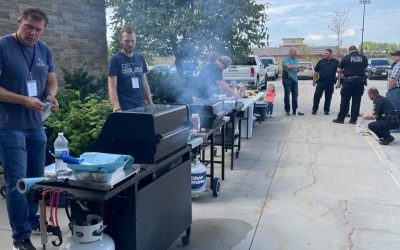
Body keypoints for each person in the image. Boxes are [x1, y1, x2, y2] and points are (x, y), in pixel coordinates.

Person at [0, 8, 59, 250]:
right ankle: (20, 238)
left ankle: (33, 219)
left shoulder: (44, 49)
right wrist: (24, 100)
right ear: (19, 23)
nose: (32, 33)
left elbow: (52, 81)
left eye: (38, 30)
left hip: (36, 126)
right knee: (17, 183)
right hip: (9, 126)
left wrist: (51, 96)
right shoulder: (3, 46)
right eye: (28, 27)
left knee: (36, 179)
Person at [108, 27, 153, 112]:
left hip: (141, 106)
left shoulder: (140, 58)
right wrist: (117, 108)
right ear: (120, 41)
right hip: (124, 108)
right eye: (127, 41)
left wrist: (150, 104)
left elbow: (144, 82)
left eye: (132, 41)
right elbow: (112, 87)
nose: (130, 44)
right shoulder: (115, 59)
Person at [333, 45, 368, 124]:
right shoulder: (363, 58)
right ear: (356, 50)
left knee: (345, 100)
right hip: (360, 82)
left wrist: (339, 81)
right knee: (356, 101)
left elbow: (339, 70)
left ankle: (340, 119)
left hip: (348, 82)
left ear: (349, 50)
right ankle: (353, 120)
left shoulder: (346, 57)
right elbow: (365, 69)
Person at [312, 49, 339, 115]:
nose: (325, 54)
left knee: (328, 97)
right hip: (321, 82)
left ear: (330, 54)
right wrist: (314, 80)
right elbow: (315, 72)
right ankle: (314, 109)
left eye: (326, 53)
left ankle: (326, 110)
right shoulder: (320, 62)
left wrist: (339, 81)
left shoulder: (336, 62)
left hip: (330, 82)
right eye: (324, 53)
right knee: (317, 96)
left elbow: (339, 71)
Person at [282, 48, 304, 116]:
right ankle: (287, 111)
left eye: (296, 52)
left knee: (295, 96)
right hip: (287, 79)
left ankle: (295, 111)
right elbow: (288, 66)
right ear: (290, 52)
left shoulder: (295, 60)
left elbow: (296, 69)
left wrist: (299, 68)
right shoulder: (286, 59)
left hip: (294, 79)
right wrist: (298, 67)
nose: (296, 53)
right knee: (287, 95)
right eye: (294, 52)